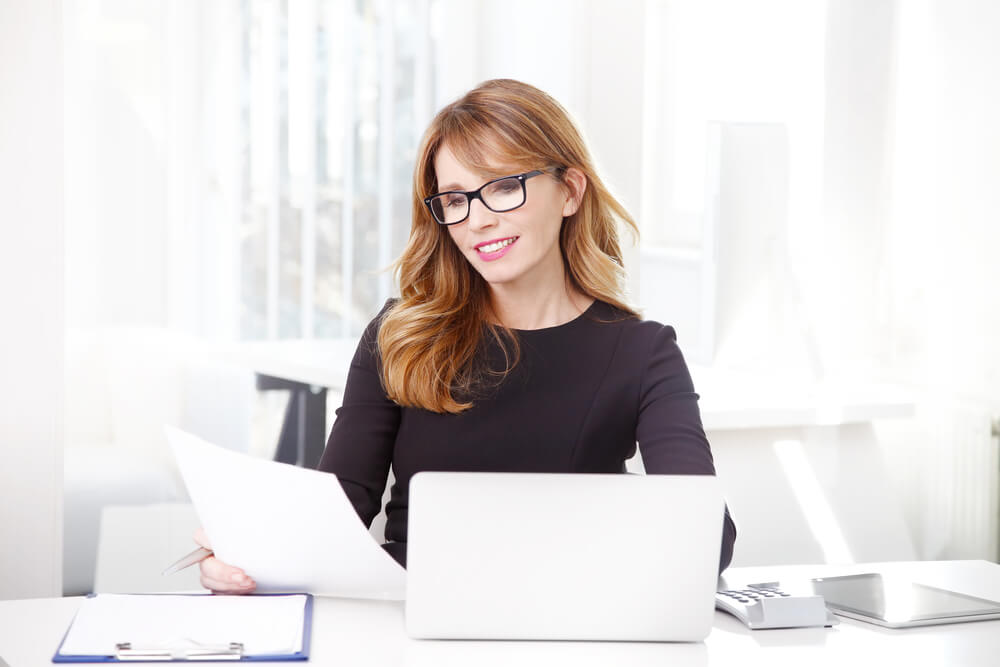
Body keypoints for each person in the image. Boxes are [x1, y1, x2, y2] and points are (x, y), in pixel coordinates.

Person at [197, 78, 737, 594]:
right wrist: (249, 555)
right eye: (455, 199)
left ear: (570, 190)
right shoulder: (400, 336)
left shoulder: (643, 353)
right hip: (406, 622)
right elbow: (336, 514)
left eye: (503, 186)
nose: (477, 220)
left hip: (566, 622)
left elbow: (707, 540)